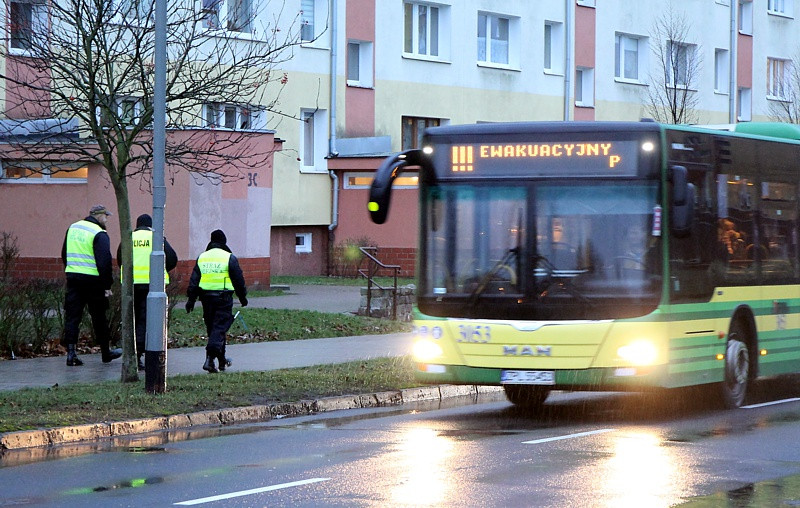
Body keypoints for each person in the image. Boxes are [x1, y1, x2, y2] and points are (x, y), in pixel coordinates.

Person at [61, 204, 123, 366]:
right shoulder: (99, 233)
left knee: (72, 317)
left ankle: (71, 353)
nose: (107, 220)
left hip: (74, 279)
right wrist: (107, 285)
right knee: (99, 318)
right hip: (94, 283)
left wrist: (72, 271)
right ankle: (105, 352)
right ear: (99, 216)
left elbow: (64, 253)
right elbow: (104, 262)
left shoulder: (73, 228)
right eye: (106, 217)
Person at [116, 214, 178, 370]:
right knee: (146, 320)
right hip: (152, 284)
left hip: (131, 285)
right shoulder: (157, 238)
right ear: (151, 226)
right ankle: (140, 354)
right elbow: (172, 259)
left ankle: (134, 353)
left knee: (134, 318)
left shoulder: (128, 237)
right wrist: (159, 269)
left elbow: (119, 259)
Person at [185, 229, 248, 373]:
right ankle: (209, 359)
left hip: (206, 299)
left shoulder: (202, 257)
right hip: (223, 298)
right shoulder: (229, 257)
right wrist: (242, 297)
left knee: (214, 330)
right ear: (224, 242)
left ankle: (220, 361)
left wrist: (191, 300)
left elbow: (194, 281)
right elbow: (238, 280)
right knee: (219, 329)